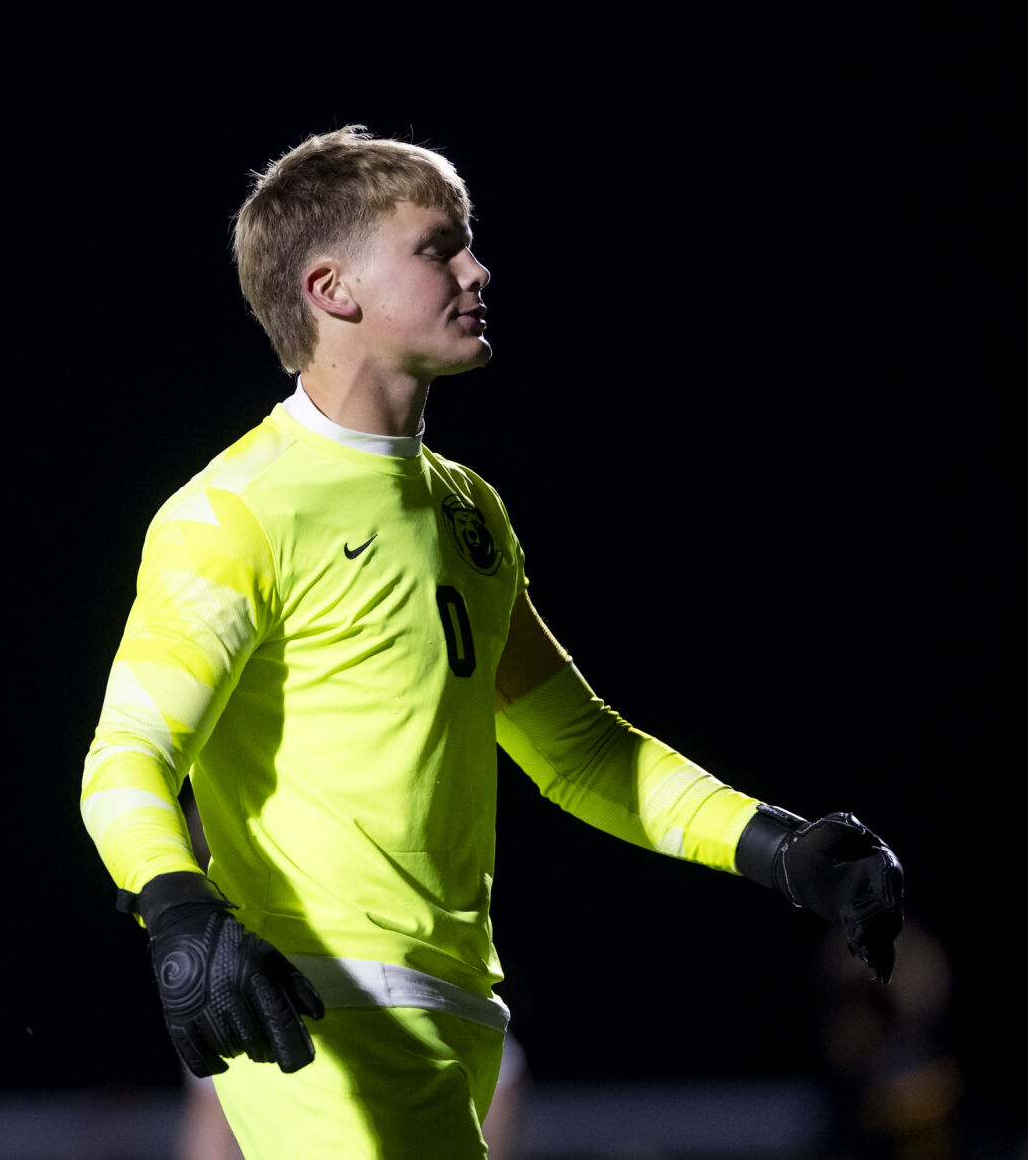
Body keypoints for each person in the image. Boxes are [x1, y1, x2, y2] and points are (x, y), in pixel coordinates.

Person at [78, 125, 905, 1158]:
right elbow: (125, 759)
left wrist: (774, 843)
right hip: (323, 1005)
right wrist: (179, 912)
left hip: (458, 1006)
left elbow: (577, 747)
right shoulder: (234, 510)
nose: (476, 268)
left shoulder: (468, 509)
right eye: (436, 247)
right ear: (332, 288)